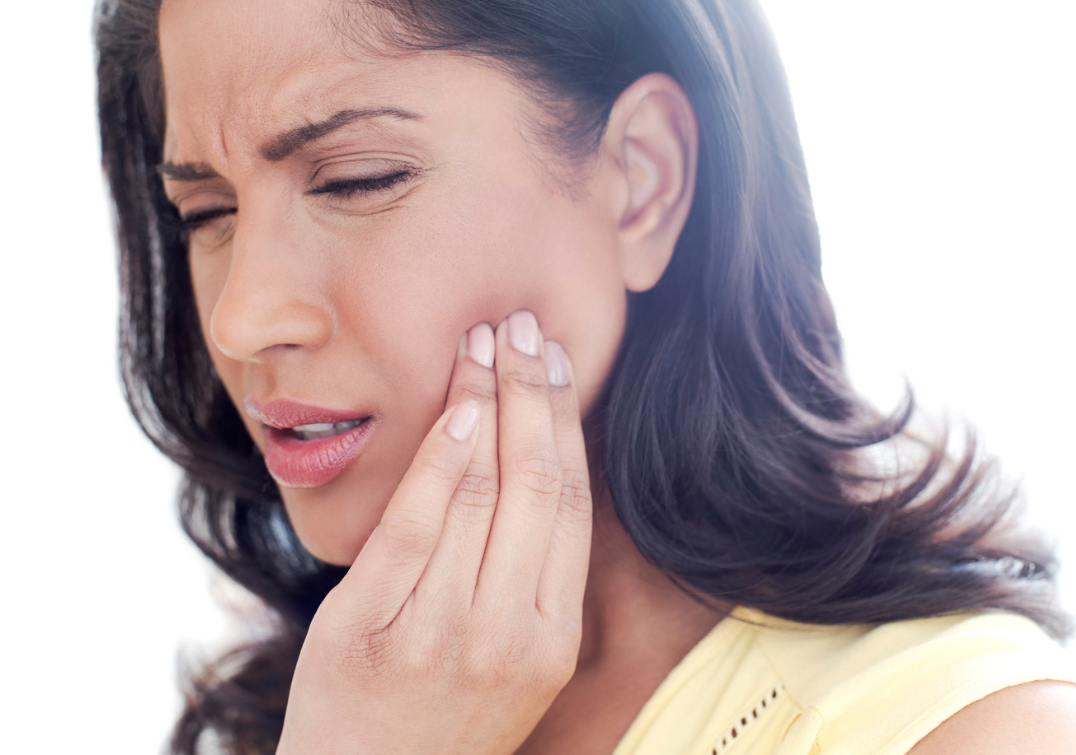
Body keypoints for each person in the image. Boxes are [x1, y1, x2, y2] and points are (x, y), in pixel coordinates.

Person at [94, 0, 1076, 752]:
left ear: (640, 180)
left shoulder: (973, 729)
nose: (243, 316)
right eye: (206, 214)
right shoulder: (294, 706)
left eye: (357, 179)